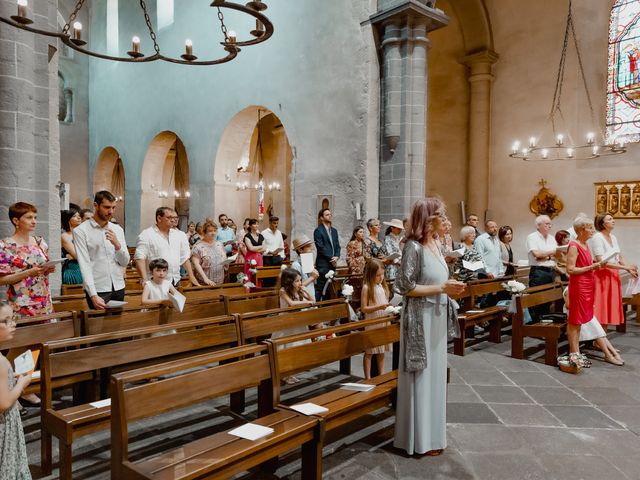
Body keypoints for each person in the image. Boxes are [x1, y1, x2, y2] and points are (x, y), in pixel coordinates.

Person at [394, 197, 465, 456]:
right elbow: (405, 287)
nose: (446, 220)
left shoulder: (435, 243)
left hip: (436, 315)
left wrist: (450, 286)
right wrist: (442, 288)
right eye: (441, 215)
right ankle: (418, 440)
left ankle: (434, 436)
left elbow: (438, 279)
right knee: (421, 377)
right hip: (420, 318)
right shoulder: (412, 247)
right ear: (428, 218)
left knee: (435, 376)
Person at [74, 191, 130, 310]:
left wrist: (117, 245)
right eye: (107, 207)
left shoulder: (117, 229)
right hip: (98, 288)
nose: (111, 212)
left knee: (116, 326)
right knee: (97, 326)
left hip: (118, 286)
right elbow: (85, 265)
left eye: (113, 207)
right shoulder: (81, 231)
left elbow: (125, 262)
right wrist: (93, 294)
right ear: (96, 205)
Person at [0, 202, 55, 316]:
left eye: (35, 217)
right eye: (29, 217)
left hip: (44, 300)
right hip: (21, 303)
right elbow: (1, 280)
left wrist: (48, 269)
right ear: (16, 221)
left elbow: (43, 267)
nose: (34, 221)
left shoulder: (39, 241)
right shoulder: (5, 246)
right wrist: (28, 273)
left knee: (47, 332)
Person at [566, 216, 605, 369]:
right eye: (590, 227)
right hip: (579, 287)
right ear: (581, 230)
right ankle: (574, 354)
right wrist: (591, 268)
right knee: (575, 320)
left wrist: (594, 265)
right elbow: (570, 269)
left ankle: (576, 353)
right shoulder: (574, 245)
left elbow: (585, 264)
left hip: (588, 285)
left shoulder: (585, 244)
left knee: (580, 321)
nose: (593, 230)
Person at [0, 301, 32, 479]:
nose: (13, 324)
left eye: (13, 318)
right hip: (4, 424)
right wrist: (21, 383)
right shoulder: (1, 362)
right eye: (6, 321)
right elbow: (3, 403)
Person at [590, 214, 638, 329]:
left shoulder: (613, 237)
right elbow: (601, 261)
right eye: (610, 219)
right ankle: (598, 339)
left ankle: (602, 339)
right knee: (602, 307)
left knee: (609, 306)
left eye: (613, 218)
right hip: (602, 275)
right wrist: (626, 268)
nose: (613, 221)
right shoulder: (598, 237)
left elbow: (619, 256)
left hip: (613, 274)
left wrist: (629, 268)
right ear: (602, 223)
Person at [135, 207, 199, 288]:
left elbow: (184, 258)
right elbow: (140, 258)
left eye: (174, 218)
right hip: (155, 281)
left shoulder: (178, 235)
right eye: (169, 217)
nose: (173, 220)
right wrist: (144, 279)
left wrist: (191, 276)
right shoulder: (147, 234)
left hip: (175, 280)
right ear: (159, 218)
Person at [278, 268, 314, 384]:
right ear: (289, 281)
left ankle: (292, 373)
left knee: (297, 347)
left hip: (298, 321)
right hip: (287, 323)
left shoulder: (298, 291)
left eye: (300, 280)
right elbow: (291, 304)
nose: (300, 283)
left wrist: (306, 291)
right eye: (297, 281)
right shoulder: (283, 290)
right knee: (287, 348)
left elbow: (312, 300)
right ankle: (285, 374)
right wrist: (306, 303)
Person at [360, 259, 391, 379]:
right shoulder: (367, 287)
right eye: (378, 275)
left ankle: (381, 375)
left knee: (381, 350)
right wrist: (380, 306)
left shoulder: (382, 287)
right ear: (371, 274)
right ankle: (367, 377)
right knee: (369, 351)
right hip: (372, 321)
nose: (381, 277)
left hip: (382, 321)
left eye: (382, 274)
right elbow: (364, 308)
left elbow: (384, 303)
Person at [526, 215, 558, 319]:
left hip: (550, 271)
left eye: (550, 224)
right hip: (539, 272)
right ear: (538, 225)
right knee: (537, 298)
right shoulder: (532, 237)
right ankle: (535, 324)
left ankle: (544, 323)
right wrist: (550, 255)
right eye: (547, 224)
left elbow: (556, 255)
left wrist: (546, 256)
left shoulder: (552, 238)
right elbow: (537, 255)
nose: (549, 226)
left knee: (548, 298)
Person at [313, 208, 340, 300]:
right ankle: (316, 307)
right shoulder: (318, 231)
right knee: (320, 289)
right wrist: (332, 259)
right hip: (323, 264)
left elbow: (337, 246)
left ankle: (327, 309)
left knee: (329, 289)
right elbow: (321, 248)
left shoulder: (334, 231)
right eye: (327, 214)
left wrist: (336, 257)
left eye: (330, 214)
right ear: (321, 217)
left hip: (332, 264)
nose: (329, 216)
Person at [291, 235, 319, 301]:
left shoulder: (307, 260)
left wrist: (314, 276)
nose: (311, 248)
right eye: (308, 246)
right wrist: (312, 277)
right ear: (300, 250)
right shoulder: (295, 265)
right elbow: (297, 287)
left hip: (311, 292)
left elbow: (312, 281)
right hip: (302, 296)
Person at [60, 208, 83, 285]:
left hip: (84, 268)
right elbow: (77, 256)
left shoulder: (81, 234)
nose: (79, 218)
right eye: (74, 216)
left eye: (79, 215)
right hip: (73, 270)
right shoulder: (65, 236)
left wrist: (72, 256)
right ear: (68, 219)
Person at [261, 216, 285, 287]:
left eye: (277, 223)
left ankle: (276, 293)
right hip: (267, 258)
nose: (276, 225)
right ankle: (267, 294)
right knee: (268, 278)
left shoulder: (279, 233)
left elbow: (281, 245)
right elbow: (262, 247)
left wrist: (282, 257)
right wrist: (270, 252)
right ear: (270, 223)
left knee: (277, 278)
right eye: (274, 223)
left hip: (278, 258)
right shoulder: (264, 233)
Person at [243, 218, 265, 286]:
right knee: (249, 275)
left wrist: (257, 249)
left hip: (259, 258)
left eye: (257, 224)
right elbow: (250, 248)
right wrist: (260, 247)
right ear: (250, 225)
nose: (256, 225)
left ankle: (258, 295)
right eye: (254, 224)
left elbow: (264, 248)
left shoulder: (261, 236)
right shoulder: (247, 236)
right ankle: (248, 294)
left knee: (258, 275)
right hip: (250, 257)